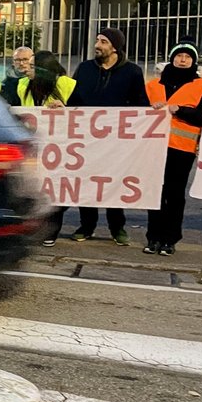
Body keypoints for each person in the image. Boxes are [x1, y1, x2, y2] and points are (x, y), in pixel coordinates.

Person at [69, 27, 149, 246]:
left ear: (115, 47)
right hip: (87, 138)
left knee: (114, 182)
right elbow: (74, 100)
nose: (97, 45)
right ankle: (87, 225)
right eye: (97, 40)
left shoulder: (132, 72)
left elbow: (140, 104)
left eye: (103, 41)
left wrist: (153, 113)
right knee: (87, 182)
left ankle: (117, 227)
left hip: (116, 141)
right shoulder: (85, 69)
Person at [142, 38, 202, 256]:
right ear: (172, 59)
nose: (183, 60)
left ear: (194, 61)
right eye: (179, 56)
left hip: (182, 148)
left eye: (188, 57)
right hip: (153, 147)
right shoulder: (152, 85)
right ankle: (153, 237)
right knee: (155, 191)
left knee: (174, 193)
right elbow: (136, 112)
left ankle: (170, 239)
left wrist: (179, 110)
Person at [17, 51, 79, 247]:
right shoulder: (23, 85)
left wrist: (66, 108)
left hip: (61, 145)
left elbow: (85, 113)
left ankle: (52, 228)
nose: (27, 68)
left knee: (57, 187)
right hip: (35, 144)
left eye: (33, 65)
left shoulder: (67, 85)